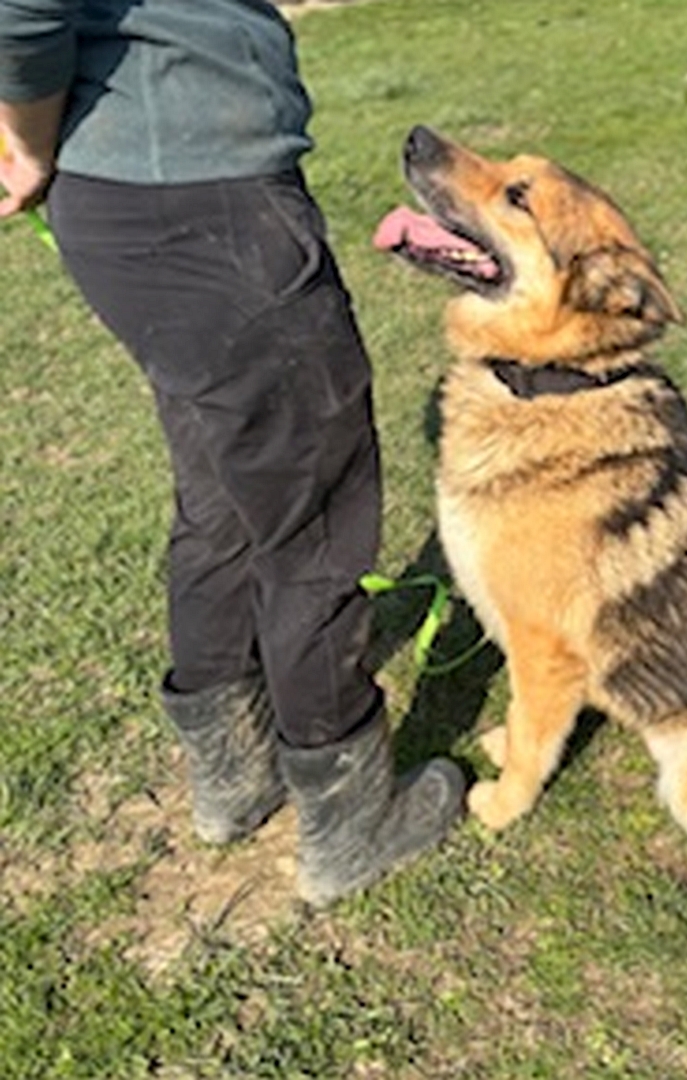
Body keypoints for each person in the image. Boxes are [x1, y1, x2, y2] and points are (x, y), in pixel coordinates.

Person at [0, 0, 464, 908]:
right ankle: (351, 821)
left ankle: (232, 777)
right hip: (202, 206)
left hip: (137, 204)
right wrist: (29, 143)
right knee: (314, 517)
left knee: (218, 491)